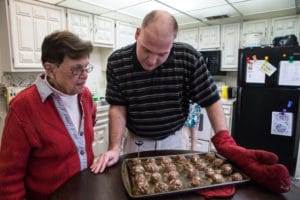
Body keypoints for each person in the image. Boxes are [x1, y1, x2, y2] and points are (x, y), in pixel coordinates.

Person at [90, 9, 227, 173]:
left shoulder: (188, 57)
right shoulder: (117, 61)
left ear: (172, 42)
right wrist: (114, 148)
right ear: (137, 34)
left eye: (162, 54)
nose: (152, 61)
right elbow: (118, 107)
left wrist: (225, 143)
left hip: (174, 139)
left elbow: (211, 100)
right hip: (136, 142)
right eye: (146, 50)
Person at [0, 30, 96, 199]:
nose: (85, 75)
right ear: (50, 69)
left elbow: (87, 131)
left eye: (86, 67)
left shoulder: (86, 96)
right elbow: (9, 178)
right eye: (76, 69)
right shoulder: (22, 108)